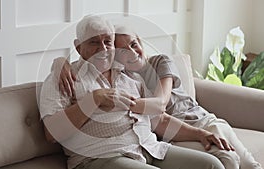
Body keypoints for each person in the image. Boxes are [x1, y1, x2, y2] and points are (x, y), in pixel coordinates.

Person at [53, 23, 262, 169]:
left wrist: (117, 101)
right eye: (123, 50)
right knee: (226, 160)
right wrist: (59, 62)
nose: (132, 52)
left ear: (141, 42)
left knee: (247, 164)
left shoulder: (160, 62)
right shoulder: (121, 75)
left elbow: (160, 105)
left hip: (202, 122)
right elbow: (88, 60)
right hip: (169, 136)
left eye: (134, 44)